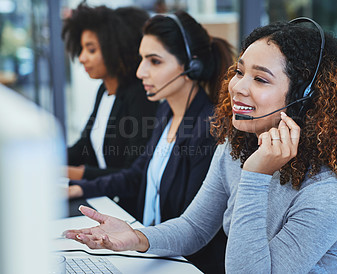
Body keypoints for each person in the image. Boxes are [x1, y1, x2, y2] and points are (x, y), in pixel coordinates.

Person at [64, 18, 337, 273]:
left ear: (305, 100)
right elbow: (194, 227)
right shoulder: (237, 145)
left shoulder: (330, 190)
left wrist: (255, 176)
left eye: (260, 79)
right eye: (240, 71)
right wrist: (136, 237)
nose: (237, 87)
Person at [67, 11, 235, 273]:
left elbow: (193, 228)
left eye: (154, 61)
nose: (140, 71)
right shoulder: (166, 111)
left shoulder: (208, 129)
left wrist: (137, 239)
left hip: (181, 263)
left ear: (192, 66)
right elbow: (137, 174)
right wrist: (80, 188)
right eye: (142, 59)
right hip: (150, 254)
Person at [62, 3, 158, 180]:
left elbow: (135, 174)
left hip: (125, 205)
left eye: (91, 50)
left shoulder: (140, 95)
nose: (82, 58)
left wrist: (73, 173)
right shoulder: (104, 90)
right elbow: (85, 144)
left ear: (116, 49)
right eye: (81, 49)